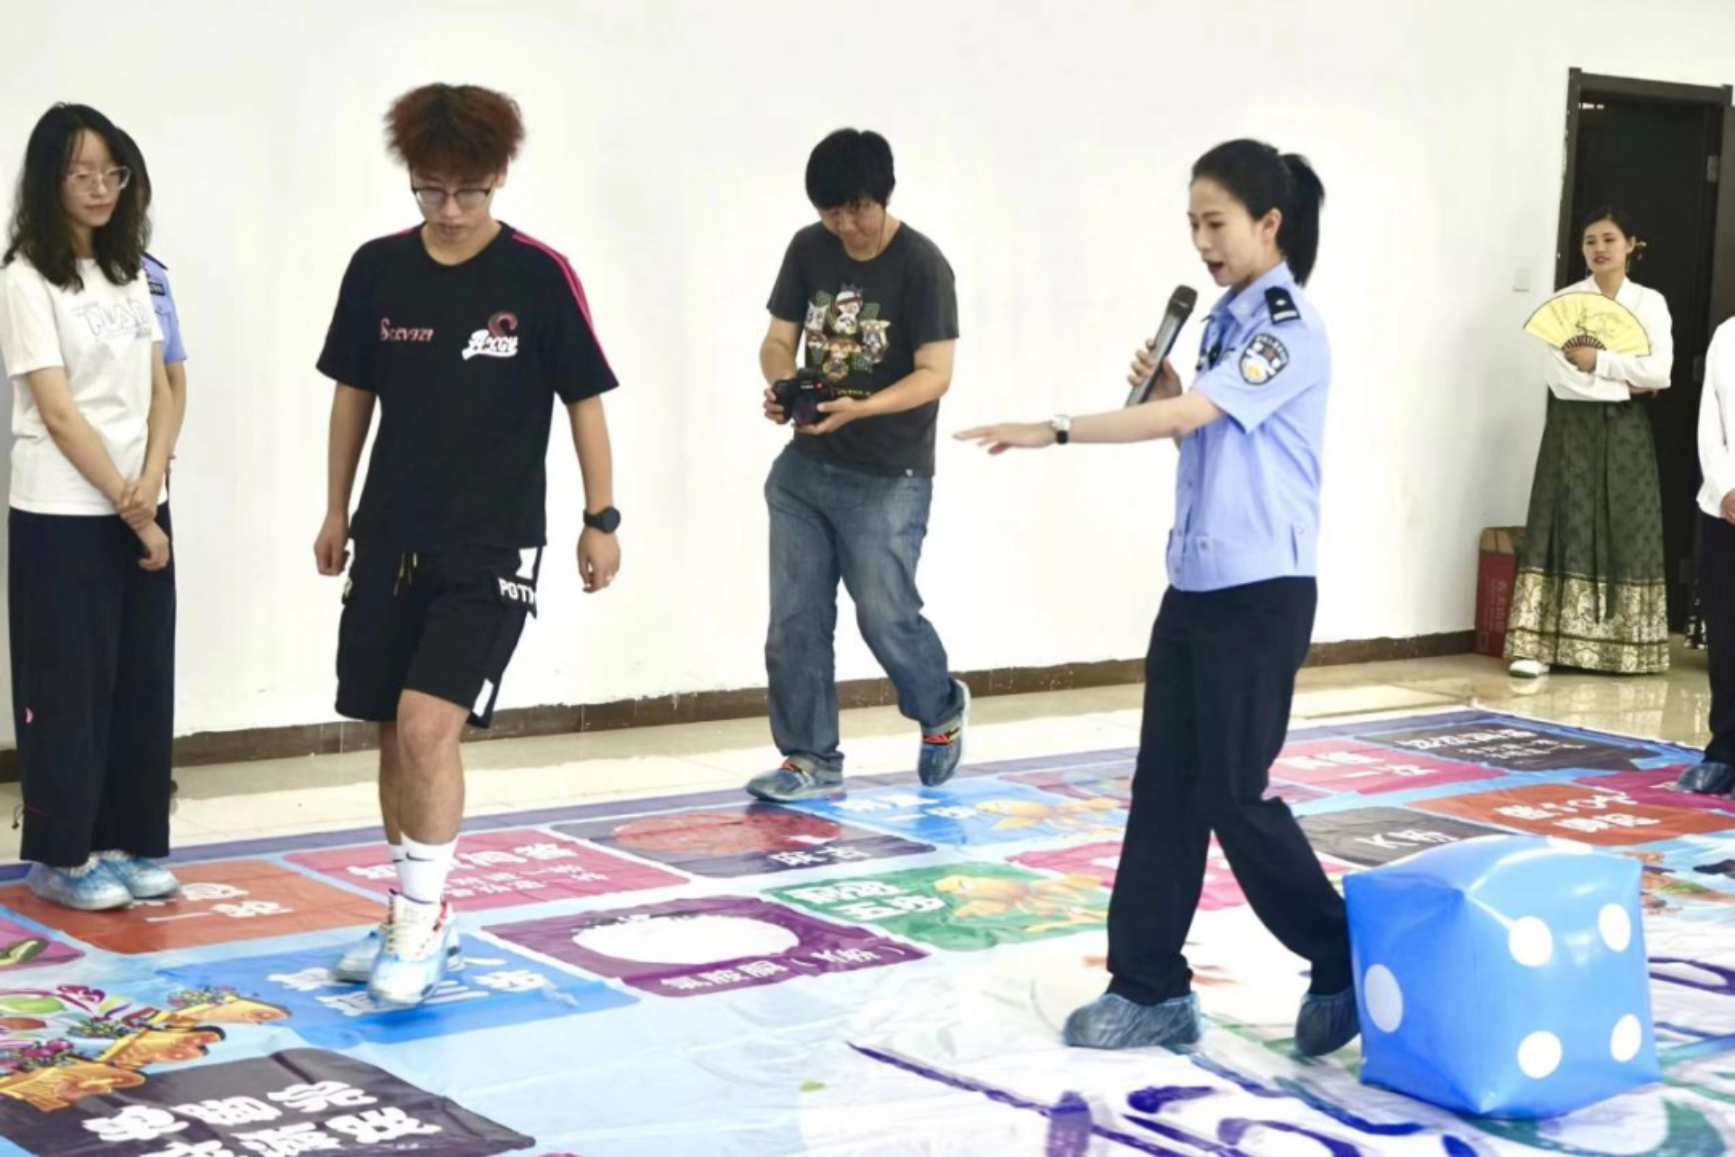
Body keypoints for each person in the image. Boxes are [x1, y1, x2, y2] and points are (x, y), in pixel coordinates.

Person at [957, 139, 1358, 1056]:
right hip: (1196, 587)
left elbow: (1186, 418)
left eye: (1216, 224)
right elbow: (1201, 434)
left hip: (1260, 592)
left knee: (1233, 794)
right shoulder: (1224, 321)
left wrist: (1055, 427)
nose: (1202, 243)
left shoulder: (1286, 327)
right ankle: (1147, 988)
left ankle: (1342, 953)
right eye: (1191, 225)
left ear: (1269, 223)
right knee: (1165, 789)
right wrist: (1175, 397)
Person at [313, 83, 621, 1007]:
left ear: (499, 179)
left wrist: (601, 517)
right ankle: (411, 909)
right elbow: (352, 397)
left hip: (491, 546)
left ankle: (423, 918)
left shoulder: (538, 275)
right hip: (389, 537)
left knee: (427, 728)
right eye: (430, 190)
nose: (449, 210)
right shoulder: (376, 269)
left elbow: (585, 402)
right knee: (388, 733)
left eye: (468, 192)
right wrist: (335, 510)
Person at [752, 128, 969, 803]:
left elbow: (935, 373)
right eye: (831, 212)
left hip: (889, 475)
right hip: (804, 471)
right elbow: (777, 339)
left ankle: (939, 705)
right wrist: (785, 385)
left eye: (858, 209)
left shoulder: (922, 266)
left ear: (884, 196)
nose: (846, 225)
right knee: (794, 623)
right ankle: (810, 758)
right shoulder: (806, 248)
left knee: (885, 615)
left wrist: (861, 408)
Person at [0, 104, 181, 910]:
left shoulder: (130, 269)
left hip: (141, 499)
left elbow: (162, 386)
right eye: (82, 174)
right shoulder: (24, 279)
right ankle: (60, 855)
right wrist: (130, 505)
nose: (101, 188)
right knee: (67, 687)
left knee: (139, 680)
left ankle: (125, 841)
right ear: (50, 181)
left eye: (113, 173)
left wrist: (154, 476)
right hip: (64, 512)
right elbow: (58, 410)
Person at [1504, 208, 1673, 678]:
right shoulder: (1565, 303)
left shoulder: (1650, 303)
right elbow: (1563, 381)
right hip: (1572, 425)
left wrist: (1599, 361)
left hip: (1626, 431)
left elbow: (1660, 372)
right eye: (1590, 241)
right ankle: (1540, 646)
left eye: (1609, 239)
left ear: (1630, 245)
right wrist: (1628, 382)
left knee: (1627, 524)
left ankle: (1625, 649)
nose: (1599, 248)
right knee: (1563, 519)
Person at [1678, 318, 1735, 796]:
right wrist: (1725, 488)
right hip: (1727, 509)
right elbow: (1709, 424)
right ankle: (1724, 754)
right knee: (1727, 634)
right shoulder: (1728, 335)